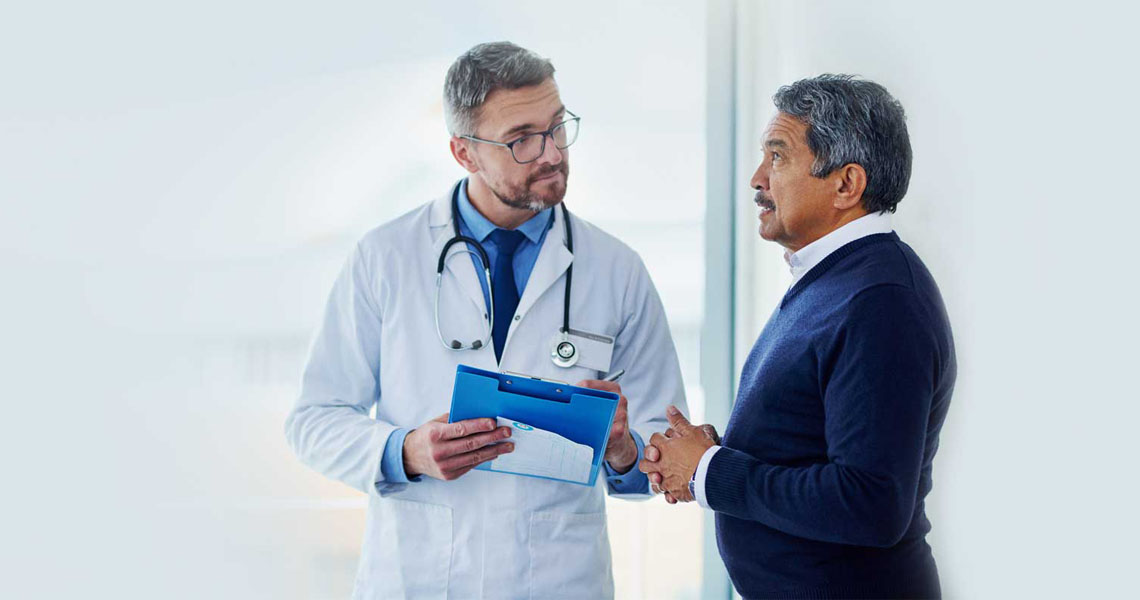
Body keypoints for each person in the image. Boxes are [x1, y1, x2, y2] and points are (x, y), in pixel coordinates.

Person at [284, 41, 686, 599]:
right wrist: (405, 451)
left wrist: (622, 450)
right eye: (520, 139)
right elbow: (314, 420)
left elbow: (666, 444)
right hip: (418, 576)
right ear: (464, 153)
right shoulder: (386, 257)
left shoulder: (616, 269)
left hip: (558, 579)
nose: (551, 153)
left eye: (557, 127)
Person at [640, 74, 955, 599]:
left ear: (846, 185)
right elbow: (816, 445)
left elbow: (870, 502)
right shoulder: (836, 279)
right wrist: (702, 459)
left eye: (778, 157)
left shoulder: (882, 300)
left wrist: (711, 471)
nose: (757, 178)